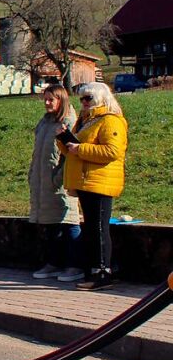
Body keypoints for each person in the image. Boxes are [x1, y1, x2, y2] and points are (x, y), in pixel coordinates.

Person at [60, 81, 128, 291]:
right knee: (91, 227)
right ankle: (97, 269)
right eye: (81, 98)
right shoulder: (84, 121)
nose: (83, 102)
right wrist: (63, 140)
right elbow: (71, 152)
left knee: (99, 227)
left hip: (100, 180)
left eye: (88, 98)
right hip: (85, 180)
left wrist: (80, 148)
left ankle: (103, 272)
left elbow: (112, 151)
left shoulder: (110, 121)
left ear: (101, 98)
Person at [28, 84, 82, 282]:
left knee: (69, 221)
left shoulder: (68, 121)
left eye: (51, 99)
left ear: (61, 100)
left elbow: (69, 155)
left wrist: (57, 178)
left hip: (59, 182)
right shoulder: (44, 122)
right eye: (45, 99)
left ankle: (74, 265)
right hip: (42, 180)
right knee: (51, 224)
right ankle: (54, 262)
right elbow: (39, 153)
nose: (47, 103)